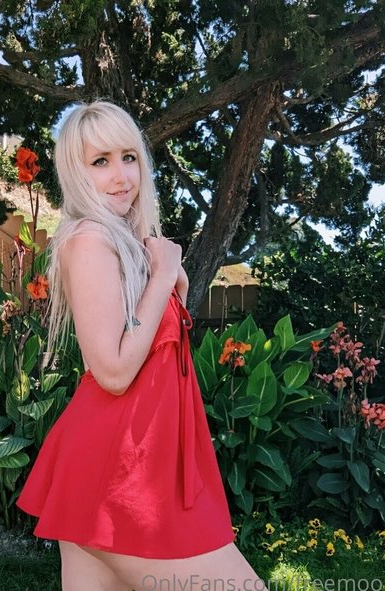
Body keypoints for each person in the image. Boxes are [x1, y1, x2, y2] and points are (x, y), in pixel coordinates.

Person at [16, 101, 266, 591]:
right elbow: (112, 371)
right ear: (76, 173)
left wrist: (164, 277)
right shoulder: (89, 239)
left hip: (136, 464)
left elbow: (155, 351)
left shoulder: (129, 246)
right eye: (100, 161)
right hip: (117, 471)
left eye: (128, 157)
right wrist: (166, 274)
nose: (121, 176)